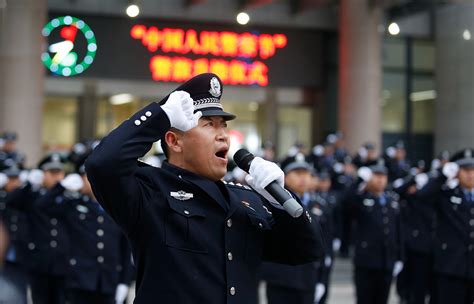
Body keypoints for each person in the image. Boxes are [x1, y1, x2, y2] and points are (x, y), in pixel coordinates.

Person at [85, 73, 324, 304]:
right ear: (174, 140)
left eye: (224, 127)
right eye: (209, 124)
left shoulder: (244, 198)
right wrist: (159, 116)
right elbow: (102, 164)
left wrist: (279, 199)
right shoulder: (150, 190)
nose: (223, 136)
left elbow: (305, 250)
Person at [259, 157, 322, 304]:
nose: (303, 178)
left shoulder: (319, 205)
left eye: (306, 173)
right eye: (297, 173)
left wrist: (322, 278)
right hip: (281, 278)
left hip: (308, 276)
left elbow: (325, 243)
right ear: (285, 177)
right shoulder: (272, 202)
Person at [415, 148, 474, 303]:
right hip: (451, 267)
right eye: (465, 170)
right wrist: (442, 175)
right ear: (457, 172)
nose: (470, 174)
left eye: (473, 170)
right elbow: (422, 196)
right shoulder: (447, 194)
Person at [344, 161, 404, 304]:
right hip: (367, 260)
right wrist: (358, 181)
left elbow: (398, 230)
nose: (380, 179)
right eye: (376, 176)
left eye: (383, 176)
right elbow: (345, 203)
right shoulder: (361, 198)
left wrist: (400, 256)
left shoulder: (391, 200)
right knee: (364, 298)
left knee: (382, 298)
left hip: (387, 259)